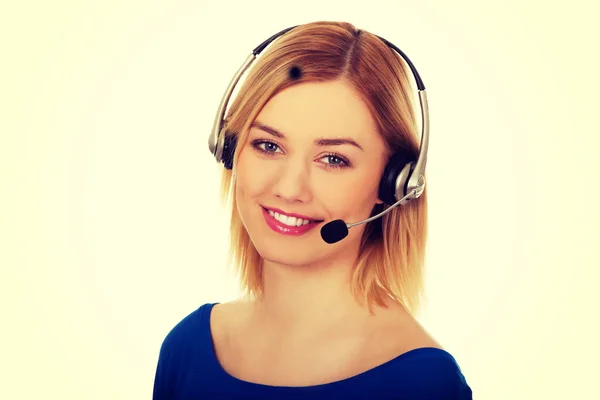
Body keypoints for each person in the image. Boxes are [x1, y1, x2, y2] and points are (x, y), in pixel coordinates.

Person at [152, 21, 473, 399]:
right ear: (229, 149)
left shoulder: (422, 382)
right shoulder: (187, 347)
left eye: (333, 159)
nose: (289, 189)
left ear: (394, 183)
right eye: (269, 146)